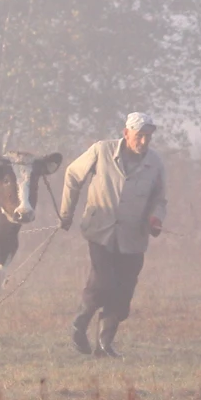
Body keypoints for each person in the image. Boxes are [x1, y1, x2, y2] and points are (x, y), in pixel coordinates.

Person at [57, 111, 168, 358]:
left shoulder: (155, 163)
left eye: (148, 137)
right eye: (139, 136)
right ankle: (79, 324)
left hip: (134, 237)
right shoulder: (101, 151)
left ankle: (105, 345)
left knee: (124, 291)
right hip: (100, 232)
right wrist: (67, 213)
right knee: (104, 283)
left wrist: (156, 218)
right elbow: (73, 175)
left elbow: (159, 199)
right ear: (126, 133)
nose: (144, 142)